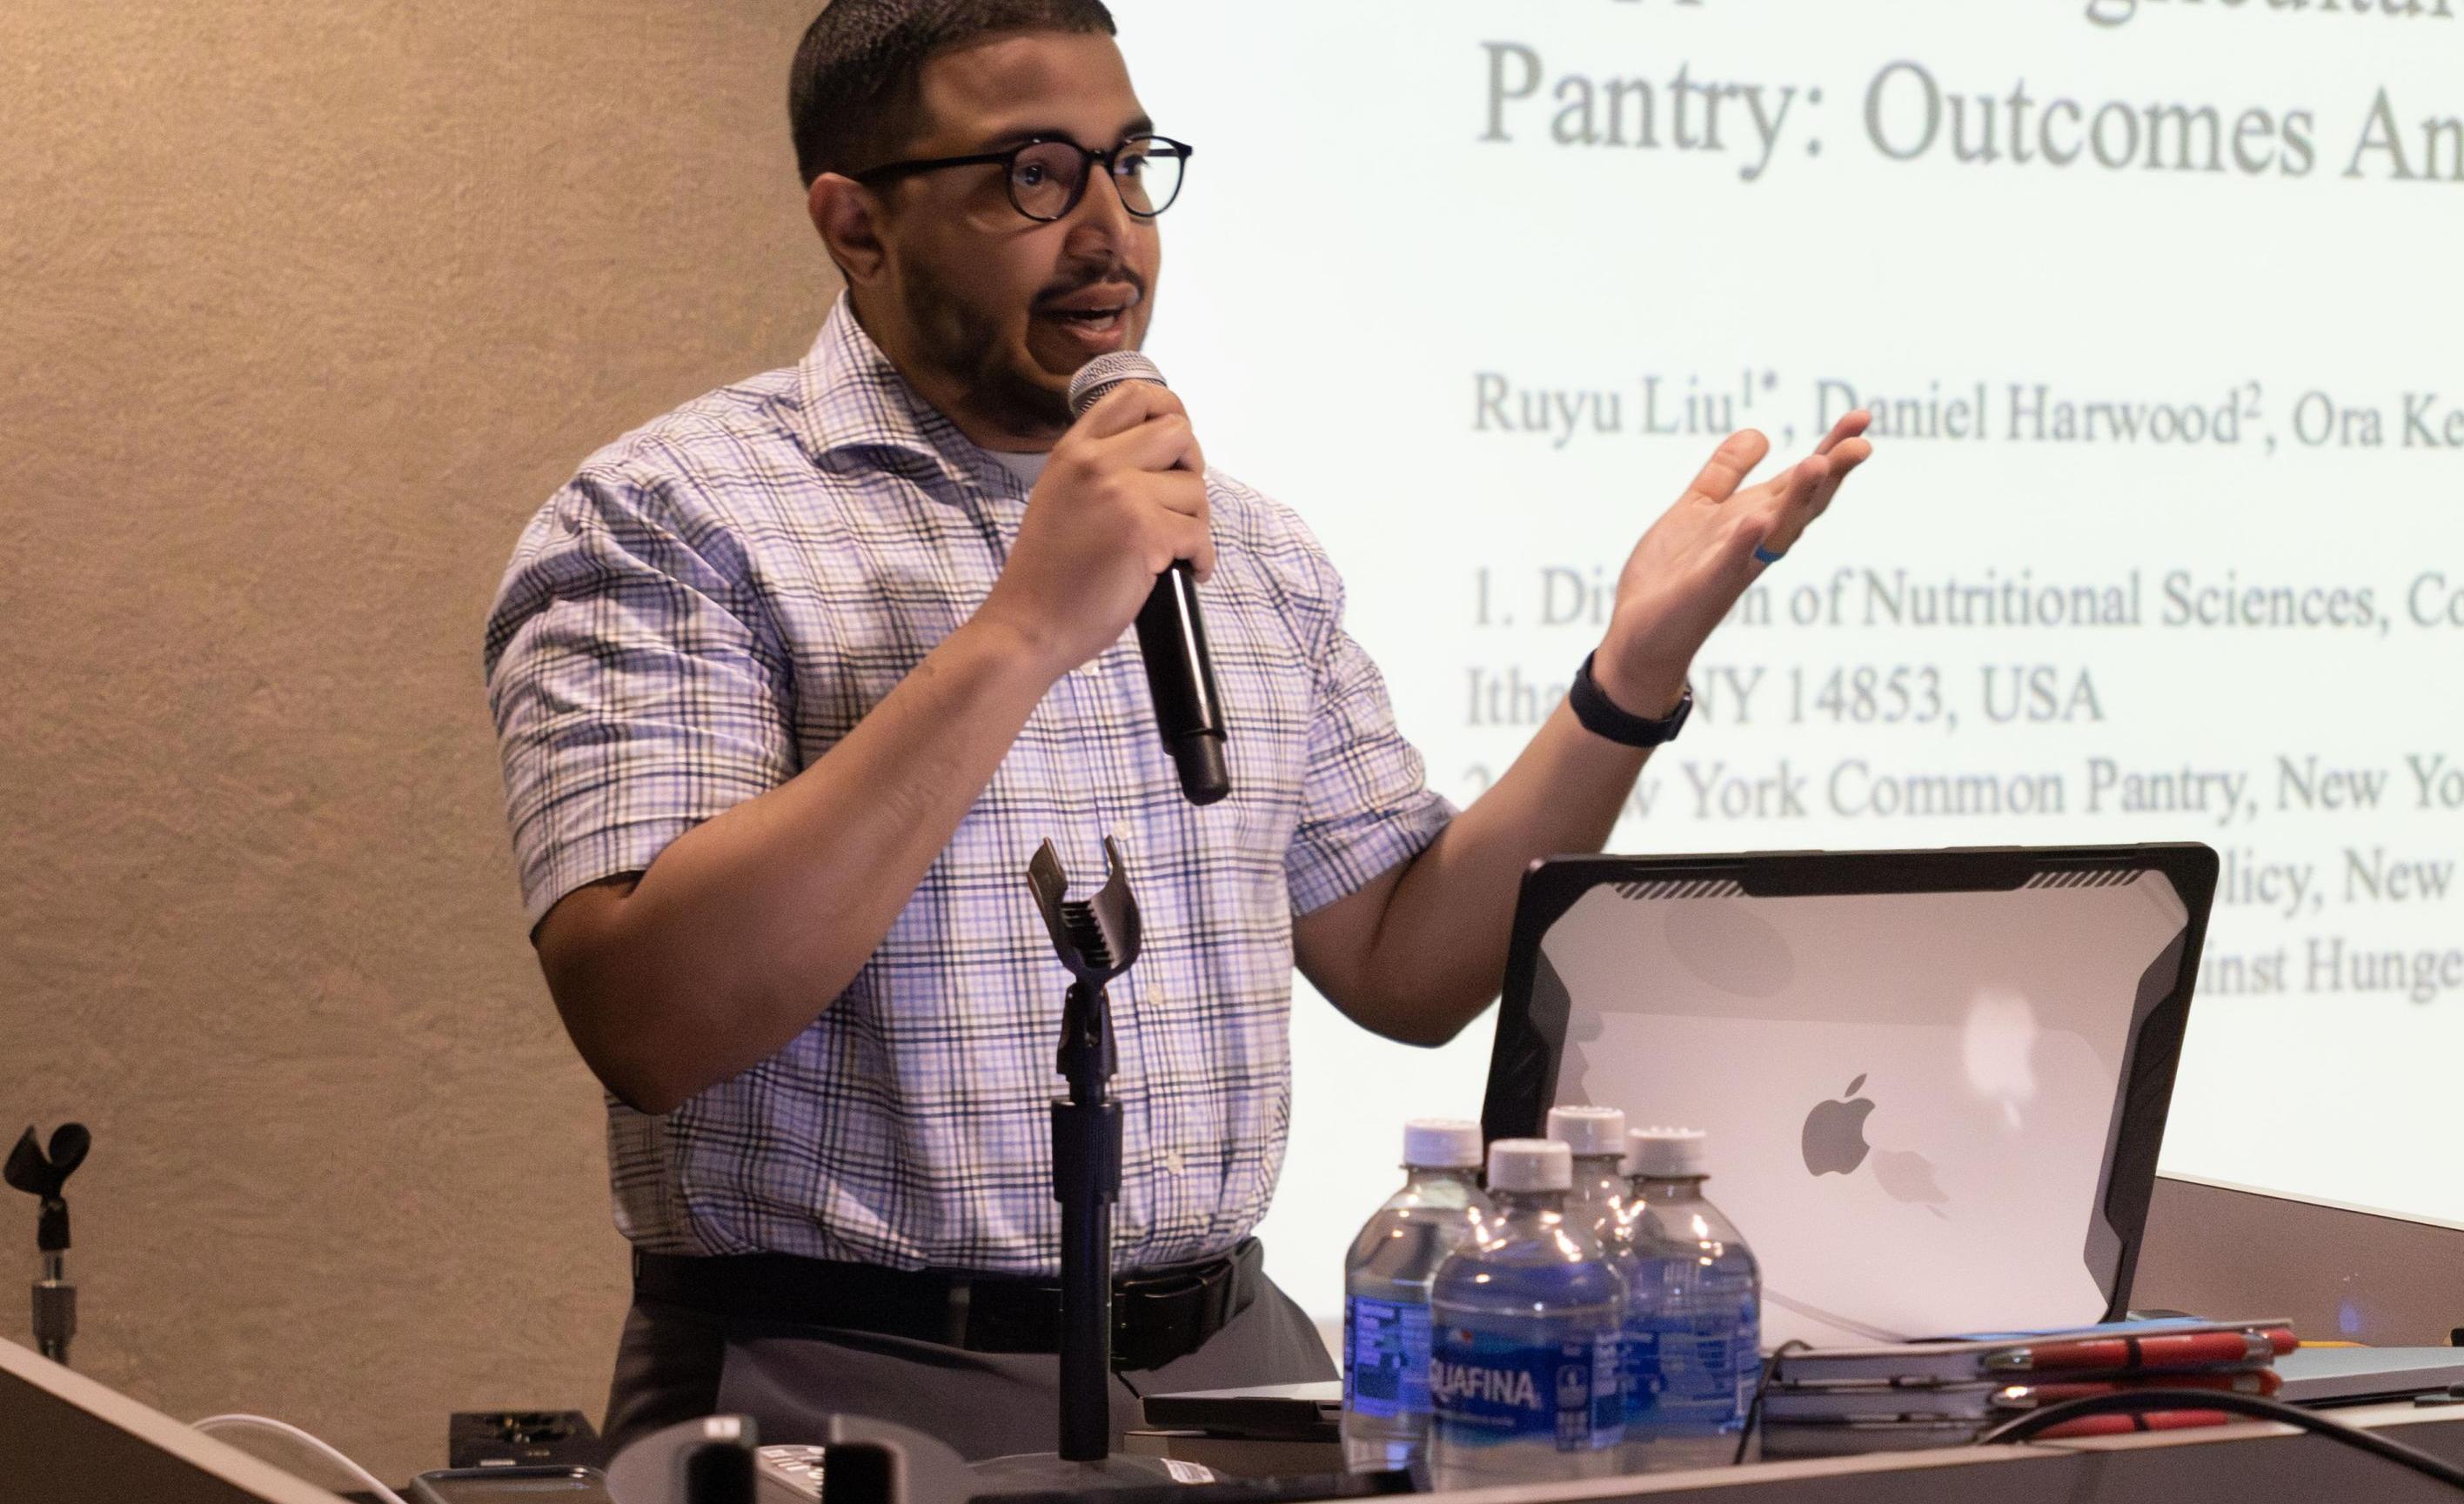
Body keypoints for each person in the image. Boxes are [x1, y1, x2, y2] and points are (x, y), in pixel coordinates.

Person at [480, 0, 1871, 1462]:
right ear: (856, 225)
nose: (1109, 229)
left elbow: (1407, 959)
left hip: (1240, 1367)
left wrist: (1627, 676)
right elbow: (650, 1018)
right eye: (1035, 173)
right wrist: (1022, 630)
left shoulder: (1249, 549)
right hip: (841, 1379)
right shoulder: (670, 518)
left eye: (1132, 165)